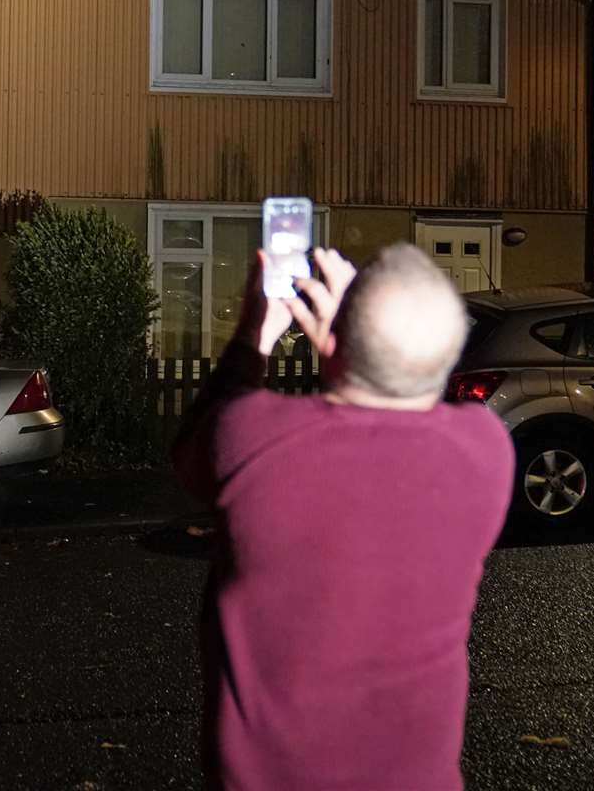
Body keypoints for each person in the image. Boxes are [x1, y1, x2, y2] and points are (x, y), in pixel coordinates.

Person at [173, 242, 513, 791]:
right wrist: (354, 347)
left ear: (338, 342)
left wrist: (254, 336)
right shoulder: (486, 451)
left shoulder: (254, 436)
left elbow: (195, 447)